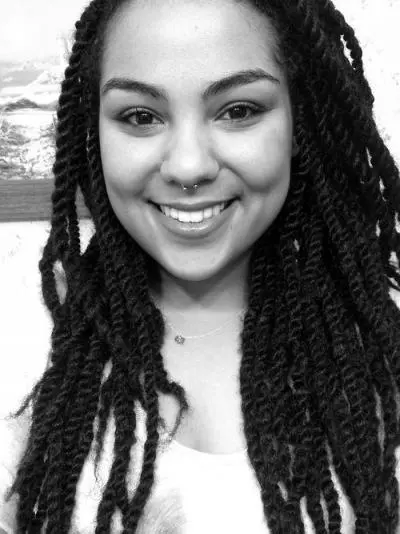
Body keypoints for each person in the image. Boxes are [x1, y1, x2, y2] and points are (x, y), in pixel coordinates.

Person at [1, 0, 400, 532]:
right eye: (140, 117)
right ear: (94, 133)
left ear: (299, 123)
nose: (189, 166)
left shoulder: (380, 345)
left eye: (239, 110)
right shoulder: (20, 350)